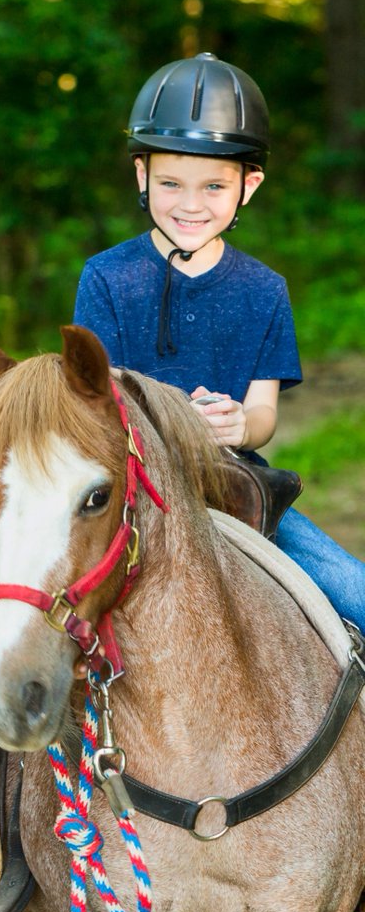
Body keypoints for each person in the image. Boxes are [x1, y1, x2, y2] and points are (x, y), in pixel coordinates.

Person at [74, 51, 365, 629]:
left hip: (233, 483)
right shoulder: (106, 277)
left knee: (353, 590)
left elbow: (263, 413)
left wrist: (239, 426)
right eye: (171, 183)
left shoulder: (265, 290)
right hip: (126, 483)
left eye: (213, 186)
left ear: (247, 187)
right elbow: (93, 402)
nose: (189, 204)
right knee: (2, 591)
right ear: (142, 176)